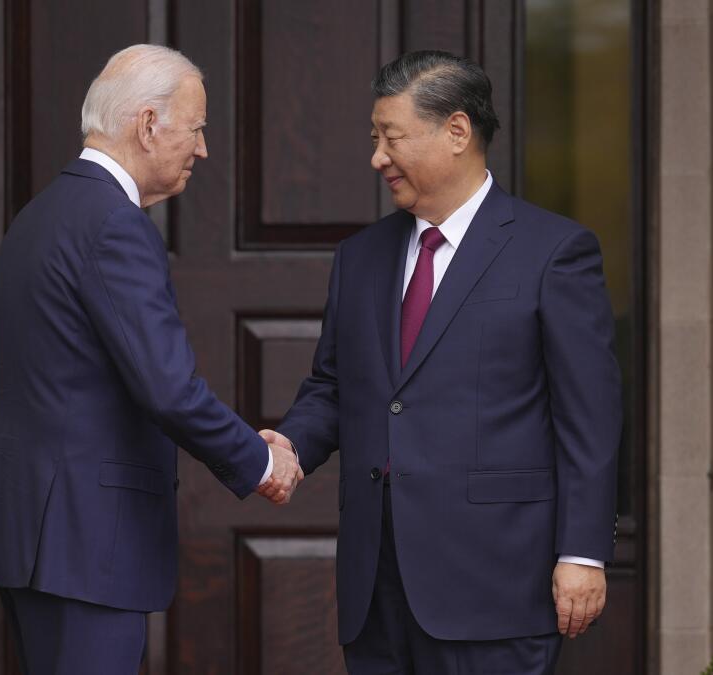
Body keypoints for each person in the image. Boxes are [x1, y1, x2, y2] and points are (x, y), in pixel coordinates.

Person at [260, 50, 622, 674]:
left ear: (457, 132)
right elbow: (334, 385)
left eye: (391, 138)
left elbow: (589, 418)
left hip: (498, 584)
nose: (377, 157)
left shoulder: (554, 251)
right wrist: (289, 446)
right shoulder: (360, 257)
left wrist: (583, 552)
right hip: (377, 587)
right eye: (374, 139)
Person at [0, 44, 301, 675]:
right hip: (83, 542)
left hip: (36, 535)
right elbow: (168, 388)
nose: (201, 149)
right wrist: (260, 462)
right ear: (148, 125)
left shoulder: (40, 216)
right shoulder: (116, 224)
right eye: (195, 130)